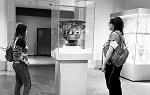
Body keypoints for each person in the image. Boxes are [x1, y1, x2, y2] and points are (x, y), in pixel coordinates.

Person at [102, 16, 125, 95]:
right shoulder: (120, 33)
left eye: (110, 22)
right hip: (117, 63)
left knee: (111, 83)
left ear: (114, 24)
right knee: (115, 82)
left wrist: (104, 64)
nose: (108, 24)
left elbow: (110, 51)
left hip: (112, 64)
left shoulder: (114, 34)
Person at [13, 24, 31, 95]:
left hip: (16, 64)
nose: (27, 32)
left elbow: (18, 52)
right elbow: (16, 54)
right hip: (20, 65)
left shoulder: (16, 39)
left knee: (19, 83)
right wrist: (26, 61)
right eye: (26, 30)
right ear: (23, 31)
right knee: (28, 84)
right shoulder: (20, 40)